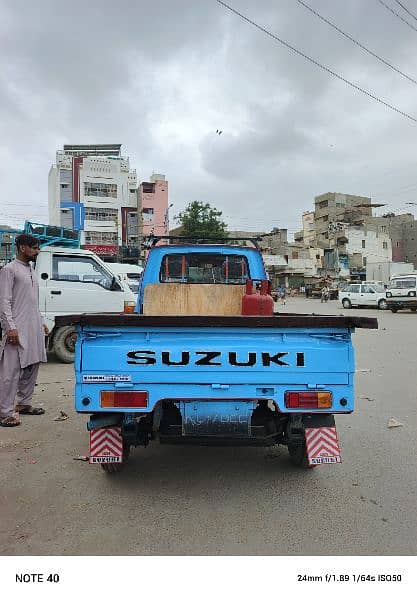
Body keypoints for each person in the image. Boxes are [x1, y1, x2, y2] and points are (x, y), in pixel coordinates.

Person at [0, 234, 48, 427]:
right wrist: (10, 327)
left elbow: (32, 301)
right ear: (22, 248)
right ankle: (4, 412)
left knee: (32, 366)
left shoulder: (31, 270)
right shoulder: (9, 270)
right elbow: (4, 301)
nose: (37, 251)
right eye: (34, 248)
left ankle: (24, 403)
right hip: (17, 327)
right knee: (10, 372)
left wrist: (41, 321)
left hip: (33, 326)